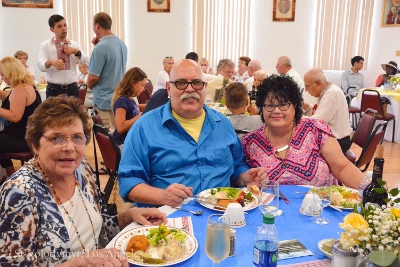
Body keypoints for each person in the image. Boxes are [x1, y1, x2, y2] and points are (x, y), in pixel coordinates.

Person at [0, 95, 167, 266]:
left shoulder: (81, 170)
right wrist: (80, 262)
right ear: (35, 144)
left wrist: (129, 216)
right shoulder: (19, 193)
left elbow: (100, 228)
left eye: (77, 137)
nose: (69, 147)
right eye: (56, 138)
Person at [118, 59, 267, 207]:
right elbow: (128, 182)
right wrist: (162, 196)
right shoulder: (144, 128)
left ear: (205, 87)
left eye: (196, 83)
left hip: (221, 215)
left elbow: (237, 165)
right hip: (166, 220)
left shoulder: (223, 124)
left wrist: (243, 178)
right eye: (181, 83)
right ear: (169, 89)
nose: (190, 89)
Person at [241, 74, 363, 188]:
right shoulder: (249, 143)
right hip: (271, 209)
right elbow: (241, 178)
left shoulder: (314, 129)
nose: (276, 110)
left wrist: (368, 189)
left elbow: (342, 167)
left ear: (295, 107)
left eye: (283, 104)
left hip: (321, 207)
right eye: (270, 105)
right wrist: (243, 179)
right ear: (261, 109)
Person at [0, 57, 42, 178]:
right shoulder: (26, 86)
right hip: (28, 135)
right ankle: (9, 173)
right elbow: (9, 98)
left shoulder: (20, 89)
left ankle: (9, 174)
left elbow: (15, 116)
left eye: (3, 75)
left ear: (10, 73)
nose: (3, 78)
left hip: (22, 139)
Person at [87, 12, 128, 131]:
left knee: (109, 140)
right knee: (118, 136)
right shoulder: (122, 44)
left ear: (97, 26)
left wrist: (88, 84)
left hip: (104, 101)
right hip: (118, 97)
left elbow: (94, 77)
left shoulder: (101, 48)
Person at [303, 68, 353, 153]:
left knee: (301, 148)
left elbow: (317, 122)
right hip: (336, 139)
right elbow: (320, 112)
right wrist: (302, 105)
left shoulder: (331, 94)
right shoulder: (328, 91)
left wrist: (295, 119)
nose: (306, 90)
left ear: (317, 83)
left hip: (338, 142)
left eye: (307, 86)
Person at [38, 14, 85, 98]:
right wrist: (50, 62)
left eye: (65, 25)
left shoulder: (74, 44)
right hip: (53, 89)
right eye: (59, 26)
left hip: (72, 88)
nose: (64, 28)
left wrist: (77, 52)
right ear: (52, 29)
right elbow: (41, 66)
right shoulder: (46, 45)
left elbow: (87, 62)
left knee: (73, 111)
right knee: (53, 112)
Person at [112, 67, 147, 147]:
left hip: (129, 140)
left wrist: (150, 106)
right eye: (142, 85)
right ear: (133, 83)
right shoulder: (122, 100)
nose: (143, 89)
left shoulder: (129, 98)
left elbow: (134, 108)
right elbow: (120, 128)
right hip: (123, 143)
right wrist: (140, 116)